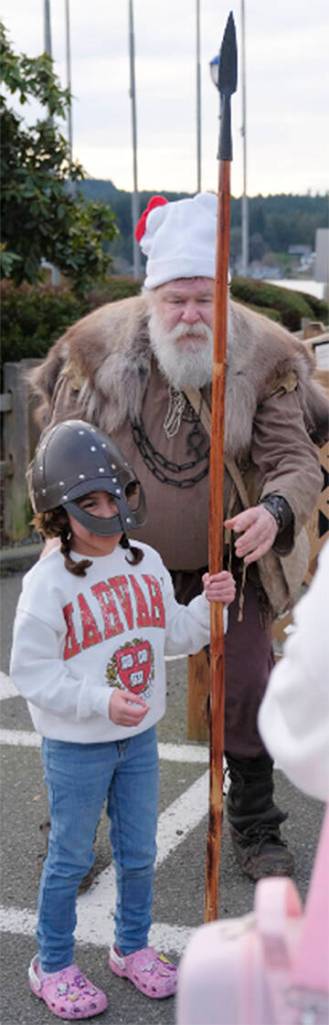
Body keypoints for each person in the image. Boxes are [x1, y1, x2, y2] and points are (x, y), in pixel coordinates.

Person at [29, 192, 328, 881]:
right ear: (151, 299)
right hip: (114, 558)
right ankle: (70, 824)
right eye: (176, 300)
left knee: (247, 679)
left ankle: (254, 821)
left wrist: (275, 512)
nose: (191, 314)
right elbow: (61, 447)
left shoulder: (267, 356)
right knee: (82, 683)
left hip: (230, 559)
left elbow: (293, 461)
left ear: (221, 297)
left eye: (203, 298)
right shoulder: (95, 352)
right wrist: (65, 534)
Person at [9, 418, 235, 1021]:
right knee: (71, 858)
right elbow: (31, 672)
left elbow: (173, 634)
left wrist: (209, 610)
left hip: (137, 742)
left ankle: (130, 947)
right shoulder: (45, 585)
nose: (107, 510)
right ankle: (51, 963)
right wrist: (98, 701)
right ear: (58, 512)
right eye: (90, 503)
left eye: (113, 495)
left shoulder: (146, 560)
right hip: (78, 747)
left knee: (138, 853)